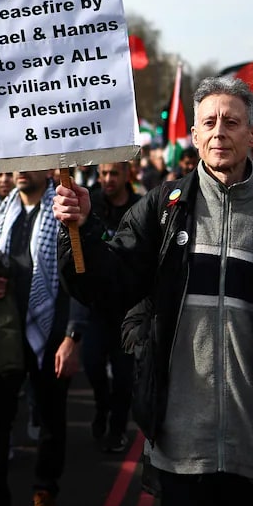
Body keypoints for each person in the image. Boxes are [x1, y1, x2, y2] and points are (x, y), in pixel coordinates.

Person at [52, 76, 253, 506]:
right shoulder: (161, 208)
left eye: (231, 122)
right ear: (193, 137)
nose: (218, 132)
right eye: (208, 122)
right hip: (181, 443)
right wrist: (81, 229)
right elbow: (107, 285)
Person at [0, 170, 88, 506]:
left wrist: (72, 335)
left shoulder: (65, 214)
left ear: (48, 169)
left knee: (51, 419)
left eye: (28, 163)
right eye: (14, 164)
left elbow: (80, 277)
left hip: (51, 334)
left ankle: (45, 491)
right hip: (5, 335)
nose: (20, 171)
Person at [83, 162, 141, 453]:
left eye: (113, 174)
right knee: (91, 363)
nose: (107, 179)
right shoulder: (89, 203)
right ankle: (101, 406)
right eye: (103, 173)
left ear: (127, 175)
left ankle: (118, 427)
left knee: (124, 376)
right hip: (96, 305)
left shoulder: (141, 207)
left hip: (128, 309)